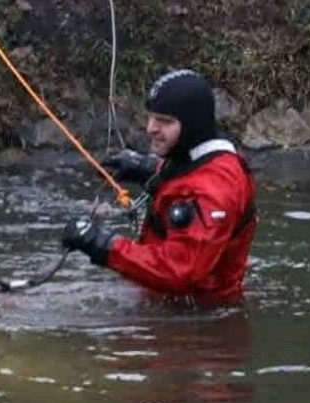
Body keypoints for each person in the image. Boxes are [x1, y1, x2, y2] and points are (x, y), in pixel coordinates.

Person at [60, 69, 257, 304]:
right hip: (165, 301)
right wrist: (147, 168)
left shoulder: (215, 190)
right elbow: (189, 174)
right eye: (152, 117)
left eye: (164, 121)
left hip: (197, 318)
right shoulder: (198, 154)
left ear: (192, 126)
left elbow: (179, 271)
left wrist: (102, 244)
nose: (151, 128)